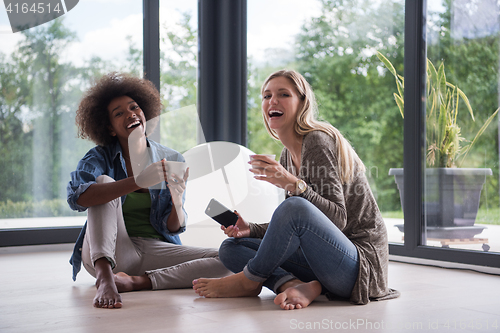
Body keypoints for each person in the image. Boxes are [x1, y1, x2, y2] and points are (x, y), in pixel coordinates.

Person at [192, 69, 399, 309]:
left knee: (294, 205)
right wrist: (251, 229)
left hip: (360, 267)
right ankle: (293, 284)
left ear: (302, 103)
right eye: (267, 96)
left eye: (283, 94)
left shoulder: (317, 141)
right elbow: (296, 226)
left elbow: (337, 219)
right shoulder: (287, 155)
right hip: (325, 261)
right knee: (231, 248)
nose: (273, 101)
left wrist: (293, 184)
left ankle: (250, 280)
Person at [67, 73, 230, 309]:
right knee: (102, 183)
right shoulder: (98, 157)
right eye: (119, 113)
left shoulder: (172, 158)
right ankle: (105, 278)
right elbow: (77, 198)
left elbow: (172, 227)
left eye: (134, 107)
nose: (131, 114)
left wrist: (176, 202)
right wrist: (138, 181)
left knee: (226, 258)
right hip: (109, 251)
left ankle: (137, 282)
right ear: (110, 128)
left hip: (154, 250)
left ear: (145, 114)